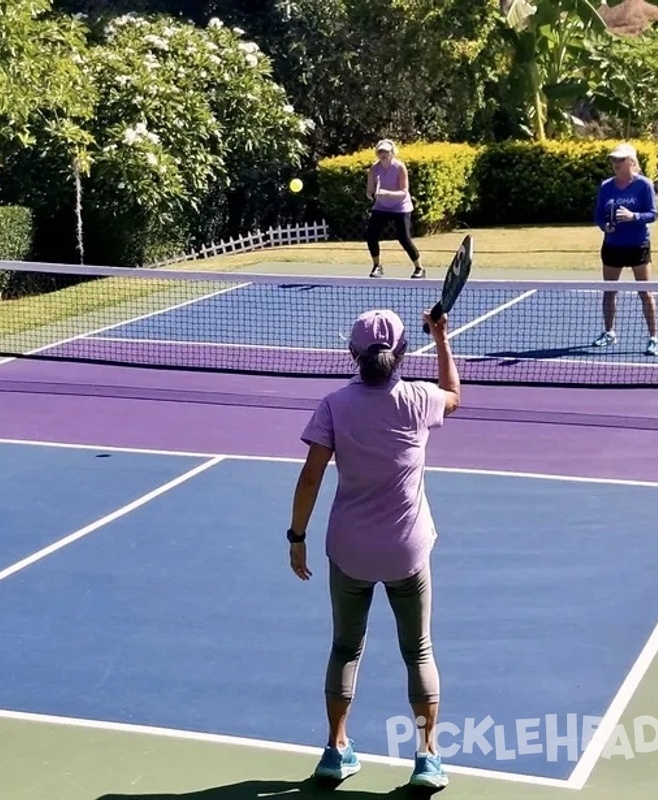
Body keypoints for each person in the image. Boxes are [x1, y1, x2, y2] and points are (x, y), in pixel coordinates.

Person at [286, 307, 459, 790]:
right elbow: (455, 396)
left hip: (350, 553)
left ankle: (336, 750)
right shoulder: (421, 399)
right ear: (403, 354)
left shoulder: (333, 405)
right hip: (407, 552)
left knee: (345, 647)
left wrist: (296, 537)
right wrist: (442, 338)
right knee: (419, 651)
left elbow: (311, 475)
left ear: (352, 354)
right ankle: (427, 757)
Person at [592, 142, 658, 356]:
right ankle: (609, 333)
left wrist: (634, 217)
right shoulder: (606, 187)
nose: (615, 164)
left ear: (631, 162)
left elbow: (652, 213)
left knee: (645, 292)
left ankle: (653, 338)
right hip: (613, 246)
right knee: (609, 291)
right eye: (613, 159)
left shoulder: (644, 185)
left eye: (620, 160)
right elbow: (598, 216)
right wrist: (606, 226)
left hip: (637, 246)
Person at [365, 140, 425, 279]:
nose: (383, 154)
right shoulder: (374, 169)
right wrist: (373, 195)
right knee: (372, 236)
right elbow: (369, 191)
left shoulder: (400, 167)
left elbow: (404, 192)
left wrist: (385, 193)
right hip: (381, 206)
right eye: (380, 152)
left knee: (404, 238)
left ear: (392, 153)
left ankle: (419, 268)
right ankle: (377, 266)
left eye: (386, 151)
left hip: (401, 206)